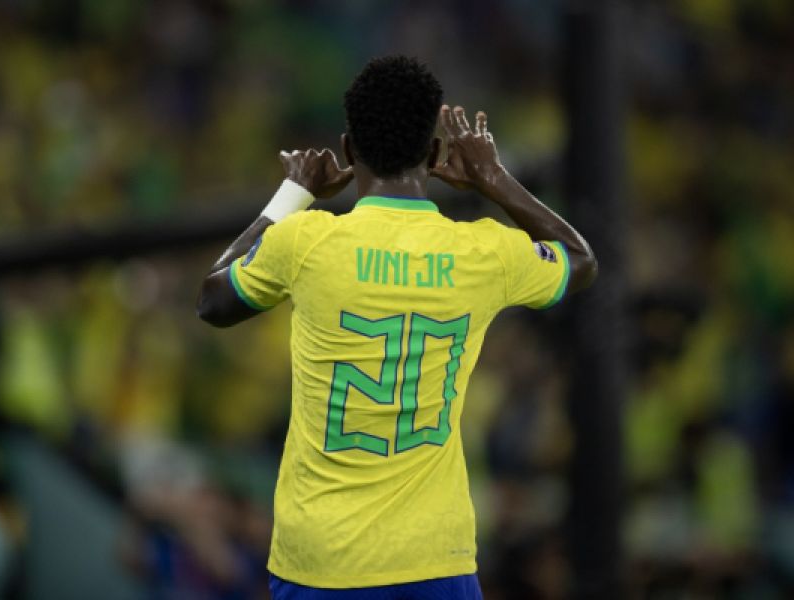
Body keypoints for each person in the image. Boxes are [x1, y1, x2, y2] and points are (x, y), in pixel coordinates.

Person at [197, 55, 597, 599]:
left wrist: (294, 191)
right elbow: (580, 261)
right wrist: (493, 179)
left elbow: (213, 301)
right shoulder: (482, 253)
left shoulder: (306, 242)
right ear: (433, 154)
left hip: (321, 561)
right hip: (433, 561)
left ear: (347, 150)